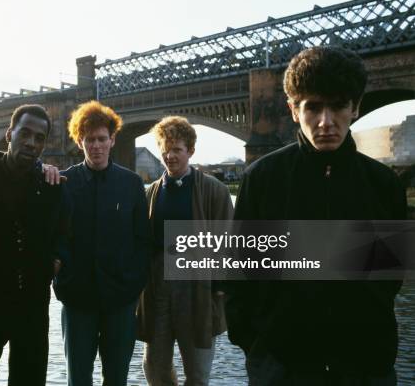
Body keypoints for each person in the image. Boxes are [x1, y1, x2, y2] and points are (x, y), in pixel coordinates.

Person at [225, 46, 407, 385]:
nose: (326, 121)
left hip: (365, 366)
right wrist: (257, 346)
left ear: (355, 108)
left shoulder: (383, 185)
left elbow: (389, 280)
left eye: (337, 106)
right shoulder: (262, 179)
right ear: (294, 110)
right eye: (313, 107)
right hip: (282, 367)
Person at [0, 104, 62, 386]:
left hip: (33, 308)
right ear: (9, 134)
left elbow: (64, 232)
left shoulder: (49, 185)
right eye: (25, 134)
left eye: (39, 138)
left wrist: (55, 259)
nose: (31, 143)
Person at [53, 100, 152, 386]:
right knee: (78, 379)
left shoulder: (131, 184)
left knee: (117, 378)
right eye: (89, 140)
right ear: (79, 141)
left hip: (120, 301)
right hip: (77, 301)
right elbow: (57, 238)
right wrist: (63, 283)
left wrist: (133, 286)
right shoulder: (65, 183)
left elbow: (142, 241)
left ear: (112, 140)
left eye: (101, 139)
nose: (95, 146)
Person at [138, 115, 233, 385]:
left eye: (177, 149)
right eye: (165, 150)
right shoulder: (150, 193)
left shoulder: (214, 191)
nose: (170, 156)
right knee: (154, 367)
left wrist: (220, 290)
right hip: (158, 288)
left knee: (198, 371)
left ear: (190, 150)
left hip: (198, 290)